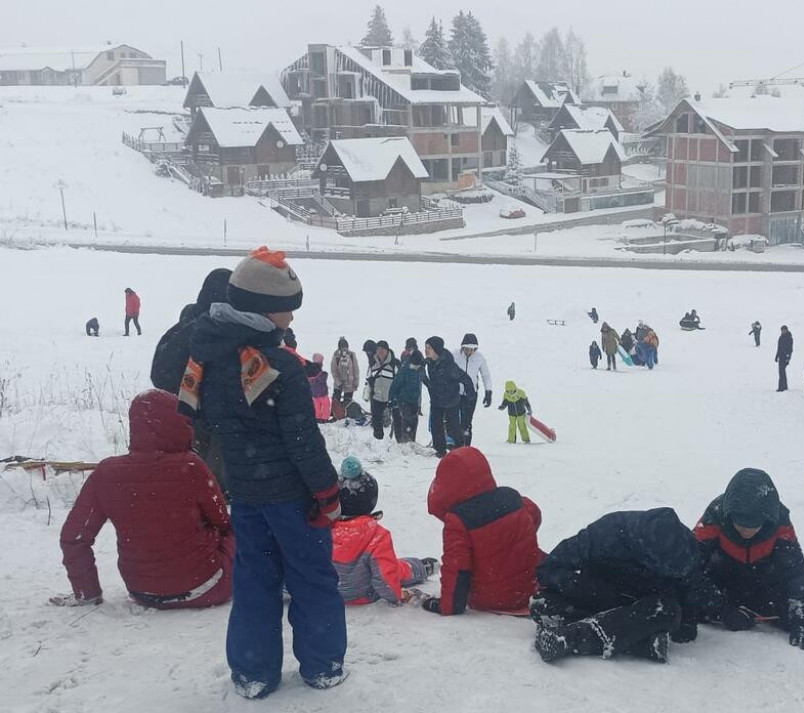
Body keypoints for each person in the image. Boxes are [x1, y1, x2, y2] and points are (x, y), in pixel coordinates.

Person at [180, 246, 346, 698]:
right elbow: (302, 441)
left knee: (254, 581)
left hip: (247, 493)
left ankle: (253, 673)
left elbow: (203, 418)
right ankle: (323, 664)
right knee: (312, 580)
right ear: (261, 309)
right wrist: (327, 493)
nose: (290, 320)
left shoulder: (208, 355)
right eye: (285, 311)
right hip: (295, 498)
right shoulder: (278, 366)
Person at [51, 390, 234, 611]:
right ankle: (276, 581)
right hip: (207, 588)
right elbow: (222, 522)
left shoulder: (106, 473)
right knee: (243, 527)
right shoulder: (191, 467)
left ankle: (92, 595)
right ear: (177, 424)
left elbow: (74, 537)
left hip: (142, 593)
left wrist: (86, 591)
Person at [531, 508, 709, 664]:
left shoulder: (688, 550)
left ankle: (571, 638)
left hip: (644, 607)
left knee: (668, 611)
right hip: (601, 595)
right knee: (543, 604)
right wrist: (581, 587)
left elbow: (693, 587)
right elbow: (549, 568)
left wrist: (688, 621)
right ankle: (638, 643)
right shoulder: (607, 532)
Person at [693, 469, 804, 652]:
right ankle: (731, 611)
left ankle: (750, 610)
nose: (745, 532)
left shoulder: (780, 521)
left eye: (753, 526)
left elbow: (795, 572)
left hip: (762, 585)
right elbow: (692, 568)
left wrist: (803, 622)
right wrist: (722, 610)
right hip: (721, 586)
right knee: (687, 605)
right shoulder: (714, 516)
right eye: (740, 525)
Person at [420, 447, 543, 616]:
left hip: (490, 598)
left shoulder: (458, 520)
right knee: (540, 555)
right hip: (529, 589)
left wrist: (447, 606)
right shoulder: (512, 497)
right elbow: (534, 514)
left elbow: (457, 569)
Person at [151, 267, 233, 492]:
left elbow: (159, 374)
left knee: (192, 480)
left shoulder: (182, 326)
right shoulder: (215, 329)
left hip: (182, 414)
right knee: (212, 484)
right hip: (213, 418)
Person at [330, 457, 436, 605]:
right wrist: (397, 596)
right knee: (395, 568)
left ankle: (419, 567)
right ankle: (420, 568)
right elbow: (384, 579)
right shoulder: (377, 536)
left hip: (326, 592)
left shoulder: (321, 529)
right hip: (363, 594)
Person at [424, 336, 472, 458]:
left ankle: (460, 449)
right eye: (425, 347)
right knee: (436, 425)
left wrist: (470, 391)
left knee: (454, 427)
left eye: (429, 348)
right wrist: (424, 380)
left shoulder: (449, 365)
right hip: (436, 399)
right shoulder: (429, 362)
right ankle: (439, 450)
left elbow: (465, 377)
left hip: (451, 400)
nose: (426, 350)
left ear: (436, 349)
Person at [455, 333, 493, 446]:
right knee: (455, 421)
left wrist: (488, 392)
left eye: (472, 349)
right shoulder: (454, 355)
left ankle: (466, 446)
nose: (469, 352)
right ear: (463, 347)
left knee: (467, 421)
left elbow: (486, 375)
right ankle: (456, 444)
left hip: (471, 395)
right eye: (467, 349)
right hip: (456, 393)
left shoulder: (479, 357)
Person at [389, 349, 424, 444]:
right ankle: (403, 441)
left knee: (414, 421)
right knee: (406, 419)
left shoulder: (419, 369)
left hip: (414, 400)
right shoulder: (404, 370)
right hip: (403, 400)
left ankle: (411, 441)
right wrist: (391, 399)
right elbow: (394, 385)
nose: (417, 366)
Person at [367, 340, 398, 441]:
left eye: (383, 349)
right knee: (376, 421)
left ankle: (399, 443)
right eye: (378, 349)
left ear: (387, 350)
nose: (380, 351)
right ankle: (378, 441)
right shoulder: (372, 364)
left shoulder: (394, 364)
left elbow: (400, 382)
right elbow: (368, 379)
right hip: (377, 397)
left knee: (397, 421)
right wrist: (367, 394)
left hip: (391, 398)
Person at [330, 338, 360, 419]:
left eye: (345, 346)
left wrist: (356, 382)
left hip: (349, 384)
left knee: (348, 401)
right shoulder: (336, 355)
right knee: (336, 401)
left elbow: (356, 370)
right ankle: (335, 415)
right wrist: (338, 382)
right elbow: (334, 370)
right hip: (338, 384)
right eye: (342, 346)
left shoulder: (352, 355)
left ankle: (346, 415)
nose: (344, 348)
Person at [309, 353, 331, 423]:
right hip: (322, 392)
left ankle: (317, 417)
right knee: (326, 404)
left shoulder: (309, 369)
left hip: (314, 392)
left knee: (317, 405)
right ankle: (324, 418)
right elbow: (321, 379)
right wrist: (325, 374)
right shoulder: (318, 368)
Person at [775, 326, 793, 392]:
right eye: (782, 330)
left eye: (784, 330)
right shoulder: (781, 337)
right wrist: (776, 356)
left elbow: (790, 349)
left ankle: (781, 387)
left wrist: (788, 357)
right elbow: (779, 348)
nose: (783, 331)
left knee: (782, 372)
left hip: (785, 357)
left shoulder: (789, 338)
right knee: (781, 372)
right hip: (781, 356)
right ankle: (784, 386)